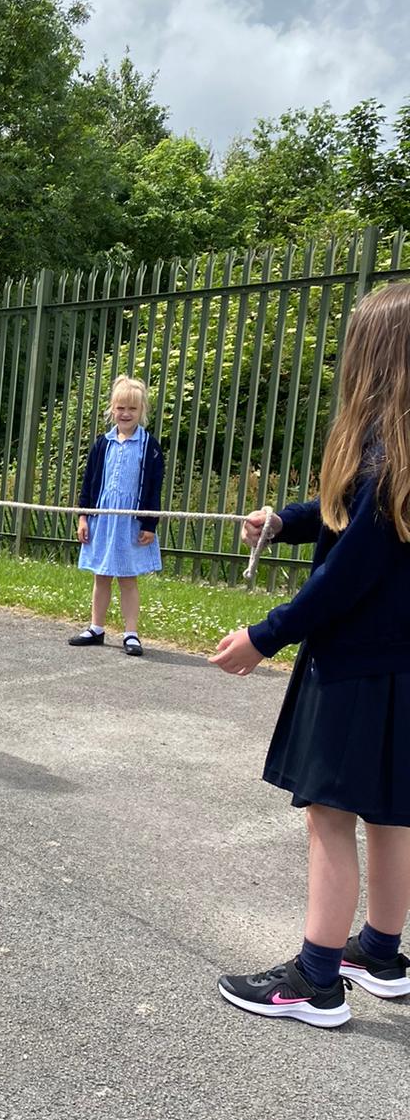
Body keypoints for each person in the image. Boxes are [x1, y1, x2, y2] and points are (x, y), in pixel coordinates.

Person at [211, 279, 410, 1028]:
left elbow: (349, 573)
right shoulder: (401, 455)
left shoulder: (384, 454)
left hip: (354, 667)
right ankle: (381, 955)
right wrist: (283, 520)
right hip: (402, 667)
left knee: (329, 816)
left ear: (374, 359)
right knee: (391, 813)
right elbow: (347, 520)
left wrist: (266, 635)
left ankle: (318, 980)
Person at [67, 374, 164, 657]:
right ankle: (96, 627)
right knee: (102, 575)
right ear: (112, 408)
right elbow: (89, 482)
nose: (125, 414)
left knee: (127, 578)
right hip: (103, 519)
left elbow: (154, 487)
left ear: (141, 412)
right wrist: (84, 516)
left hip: (131, 522)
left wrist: (149, 522)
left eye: (132, 409)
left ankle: (131, 633)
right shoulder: (103, 443)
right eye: (121, 408)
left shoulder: (149, 447)